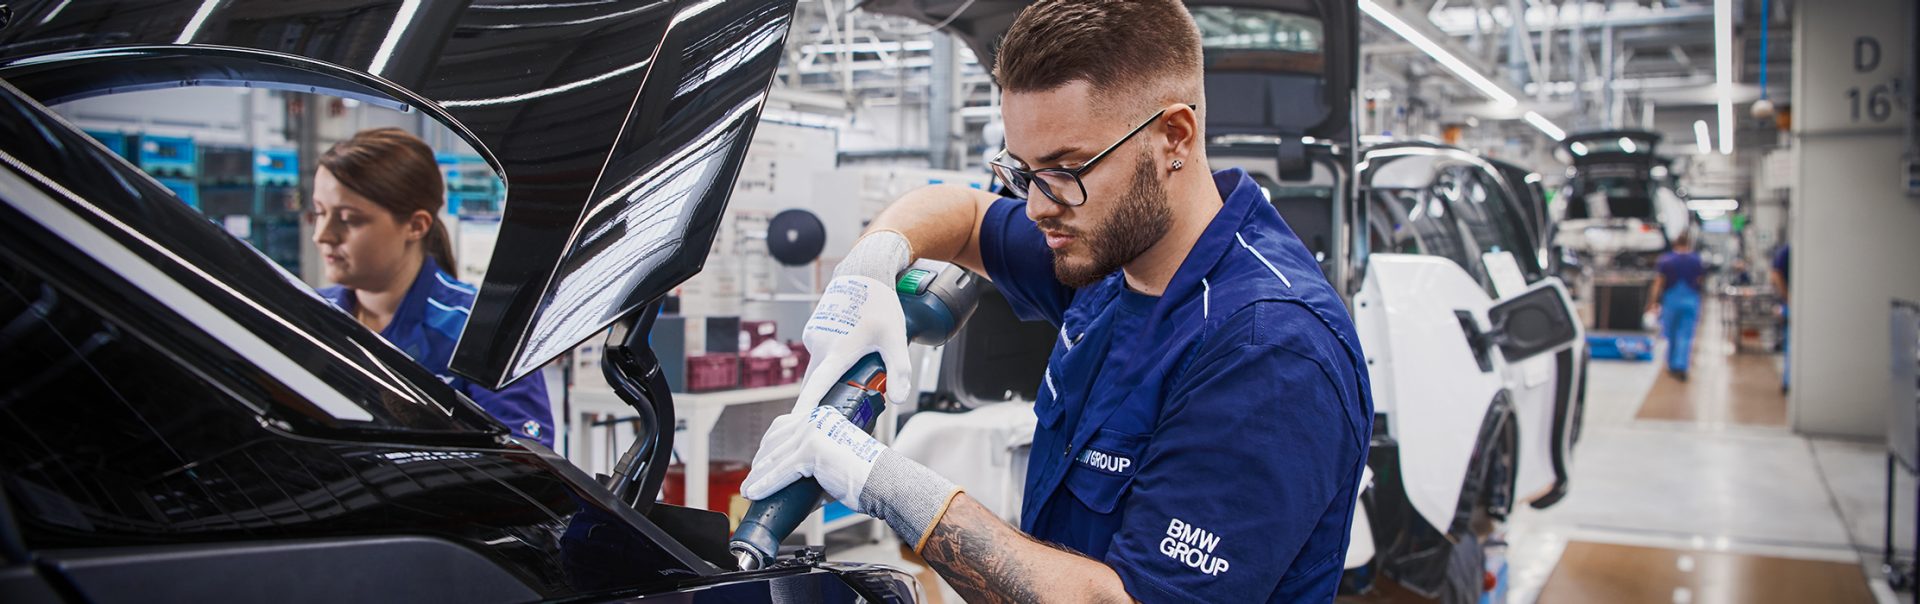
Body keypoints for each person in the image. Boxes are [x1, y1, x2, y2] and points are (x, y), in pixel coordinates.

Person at [739, 1, 1374, 601]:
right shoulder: (1105, 248)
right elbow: (962, 214)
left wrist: (884, 482)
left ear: (1174, 136)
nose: (1038, 206)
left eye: (1066, 167)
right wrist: (871, 264)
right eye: (1022, 170)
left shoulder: (1270, 349)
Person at [310, 128, 555, 448]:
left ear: (415, 225)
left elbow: (529, 460)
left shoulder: (478, 329)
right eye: (319, 213)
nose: (322, 235)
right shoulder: (311, 317)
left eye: (348, 219)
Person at [1647, 231, 1705, 381]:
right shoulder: (1696, 260)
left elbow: (1659, 283)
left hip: (1671, 301)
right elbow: (1699, 281)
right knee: (1685, 334)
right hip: (1691, 300)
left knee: (1671, 334)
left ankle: (1672, 364)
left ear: (1675, 244)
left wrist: (1653, 302)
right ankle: (1681, 364)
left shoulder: (1666, 260)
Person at [1771, 244, 1790, 392]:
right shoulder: (1788, 251)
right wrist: (1788, 297)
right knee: (1791, 344)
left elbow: (1775, 275)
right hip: (1791, 304)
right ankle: (1788, 381)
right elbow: (1775, 274)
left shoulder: (1786, 251)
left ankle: (1788, 381)